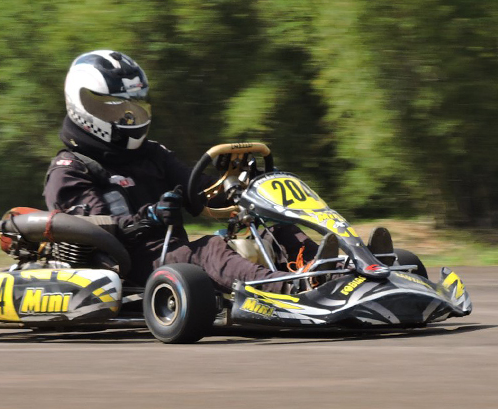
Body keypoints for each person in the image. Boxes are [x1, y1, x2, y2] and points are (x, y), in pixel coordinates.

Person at [43, 50, 318, 292]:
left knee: (278, 231)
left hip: (173, 256)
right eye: (116, 109)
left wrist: (248, 185)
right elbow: (92, 230)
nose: (129, 118)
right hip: (127, 266)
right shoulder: (70, 169)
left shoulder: (151, 154)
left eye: (133, 108)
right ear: (85, 109)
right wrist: (149, 216)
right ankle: (289, 289)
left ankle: (331, 276)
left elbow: (200, 192)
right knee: (210, 249)